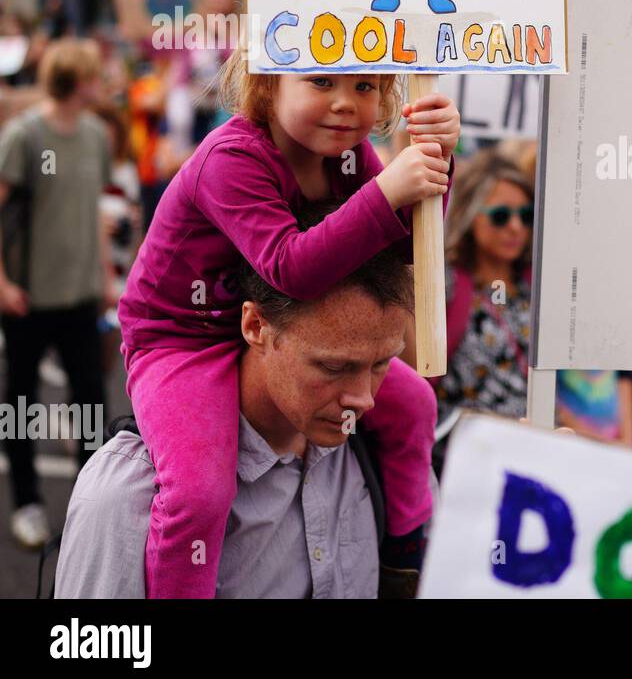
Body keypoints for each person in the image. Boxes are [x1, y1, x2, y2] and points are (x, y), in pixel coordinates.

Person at [115, 48, 459, 598]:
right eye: (322, 81)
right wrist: (390, 188)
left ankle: (403, 557)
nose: (346, 104)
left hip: (275, 332)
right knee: (198, 493)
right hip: (181, 338)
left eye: (367, 87)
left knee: (415, 404)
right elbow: (289, 269)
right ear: (268, 84)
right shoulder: (230, 158)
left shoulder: (350, 156)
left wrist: (436, 161)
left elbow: (406, 249)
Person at [56, 205, 424, 598]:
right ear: (255, 326)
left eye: (383, 363)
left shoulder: (381, 453)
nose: (364, 399)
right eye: (333, 366)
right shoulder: (128, 496)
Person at [0, 39, 113, 549]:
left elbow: (92, 208)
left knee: (91, 401)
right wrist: (1, 283)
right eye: (95, 73)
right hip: (28, 296)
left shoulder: (95, 135)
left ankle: (89, 509)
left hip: (79, 295)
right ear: (78, 79)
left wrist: (106, 278)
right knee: (21, 403)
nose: (103, 79)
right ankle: (26, 502)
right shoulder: (24, 137)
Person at [438, 149, 534, 427]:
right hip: (466, 455)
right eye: (501, 215)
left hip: (539, 448)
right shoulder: (445, 283)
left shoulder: (537, 284)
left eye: (525, 215)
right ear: (469, 214)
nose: (516, 227)